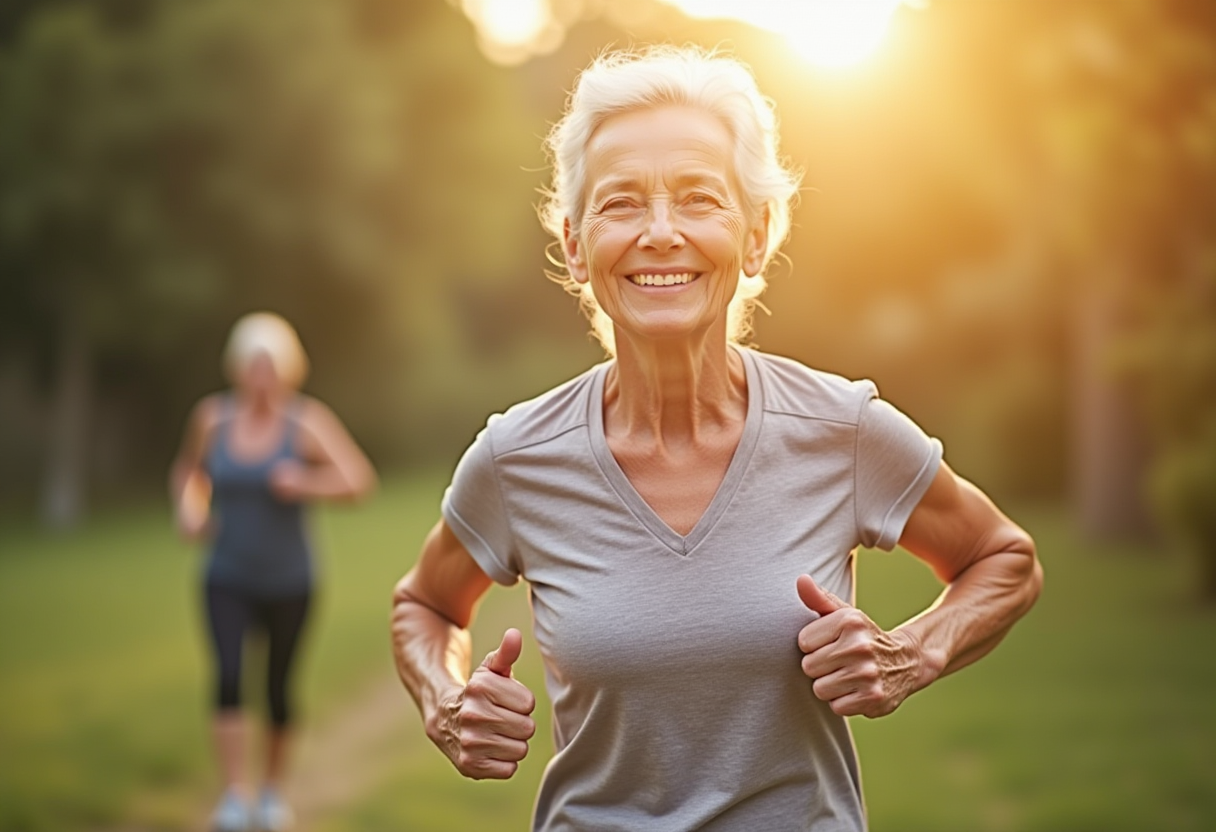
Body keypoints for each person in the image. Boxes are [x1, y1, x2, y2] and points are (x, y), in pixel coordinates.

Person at [390, 45, 1043, 831]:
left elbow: (1005, 560)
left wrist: (915, 653)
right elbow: (424, 605)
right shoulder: (517, 456)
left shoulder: (841, 429)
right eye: (622, 203)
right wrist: (446, 700)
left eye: (698, 199)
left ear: (757, 233)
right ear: (574, 244)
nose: (661, 233)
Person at [171, 312, 377, 832]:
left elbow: (358, 480)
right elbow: (189, 471)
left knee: (279, 687)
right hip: (226, 574)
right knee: (229, 677)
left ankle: (271, 794)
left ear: (287, 370)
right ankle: (235, 795)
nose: (261, 376)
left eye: (271, 366)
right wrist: (191, 508)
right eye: (252, 365)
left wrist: (305, 482)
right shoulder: (212, 419)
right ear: (237, 368)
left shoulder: (305, 423)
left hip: (291, 579)